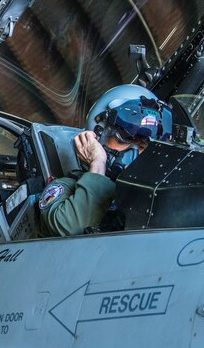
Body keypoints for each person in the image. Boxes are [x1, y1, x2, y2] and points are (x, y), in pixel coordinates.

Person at [37, 88, 165, 237]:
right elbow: (71, 228)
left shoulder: (153, 196)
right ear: (96, 138)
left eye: (142, 146)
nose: (135, 153)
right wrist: (98, 163)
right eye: (123, 140)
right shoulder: (65, 187)